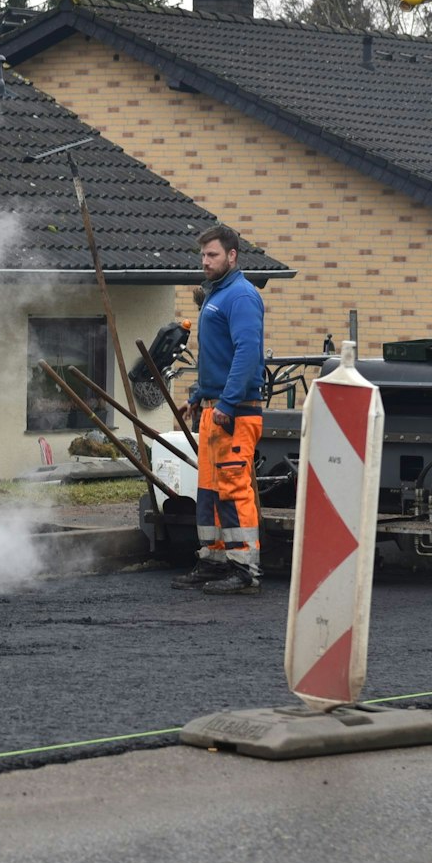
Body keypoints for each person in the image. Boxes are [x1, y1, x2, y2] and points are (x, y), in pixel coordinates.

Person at [173, 225, 266, 596]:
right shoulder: (217, 295)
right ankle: (214, 559)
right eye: (203, 255)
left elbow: (246, 353)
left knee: (233, 489)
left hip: (235, 412)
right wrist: (198, 395)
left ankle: (245, 570)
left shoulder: (240, 296)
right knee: (211, 490)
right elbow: (217, 358)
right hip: (215, 410)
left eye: (212, 255)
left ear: (232, 256)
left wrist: (226, 403)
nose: (205, 261)